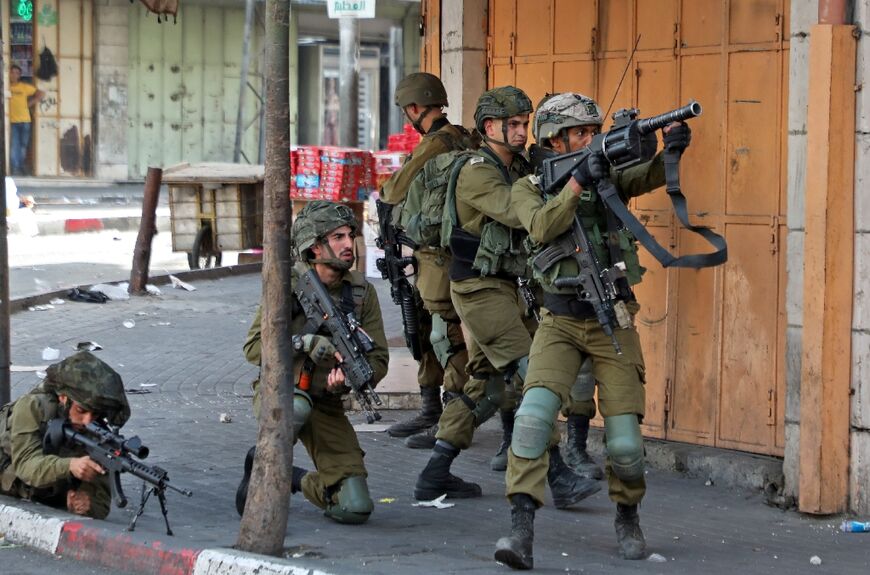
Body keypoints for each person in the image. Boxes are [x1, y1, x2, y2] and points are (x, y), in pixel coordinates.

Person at [494, 92, 691, 568]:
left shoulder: (605, 174)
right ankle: (520, 529)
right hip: (559, 321)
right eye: (582, 133)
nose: (591, 140)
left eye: (592, 132)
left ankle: (627, 515)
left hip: (613, 320)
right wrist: (578, 182)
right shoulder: (530, 187)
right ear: (555, 140)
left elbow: (642, 175)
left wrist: (671, 149)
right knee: (533, 420)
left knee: (624, 441)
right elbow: (541, 226)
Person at [413, 86, 600, 508]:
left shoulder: (517, 166)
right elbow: (520, 214)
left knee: (488, 387)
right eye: (513, 125)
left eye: (524, 123)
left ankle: (435, 472)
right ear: (489, 127)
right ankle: (557, 474)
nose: (521, 132)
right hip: (478, 289)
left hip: (508, 286)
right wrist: (562, 185)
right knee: (534, 375)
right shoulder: (478, 171)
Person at [236, 201, 389, 525]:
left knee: (355, 507)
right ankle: (263, 471)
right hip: (282, 392)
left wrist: (347, 382)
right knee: (299, 407)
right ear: (314, 246)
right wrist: (304, 343)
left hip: (326, 402)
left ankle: (292, 478)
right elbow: (252, 349)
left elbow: (378, 359)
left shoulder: (361, 292)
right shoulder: (287, 284)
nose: (349, 244)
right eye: (338, 237)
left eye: (350, 235)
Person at [380, 72, 473, 448]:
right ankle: (432, 407)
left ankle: (448, 417)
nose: (408, 118)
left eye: (408, 111)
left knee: (444, 333)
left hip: (440, 254)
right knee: (424, 327)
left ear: (416, 108)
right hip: (436, 250)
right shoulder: (462, 136)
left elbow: (394, 189)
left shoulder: (437, 144)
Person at [0, 351, 131, 519]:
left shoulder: (98, 434)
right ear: (63, 397)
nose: (87, 421)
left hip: (37, 491)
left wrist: (84, 503)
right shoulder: (32, 406)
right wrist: (70, 465)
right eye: (81, 410)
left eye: (95, 414)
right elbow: (26, 465)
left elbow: (100, 499)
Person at [8, 64, 44, 175]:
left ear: (19, 75)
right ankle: (15, 167)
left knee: (23, 145)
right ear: (9, 74)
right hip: (13, 121)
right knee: (15, 145)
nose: (14, 75)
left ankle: (21, 166)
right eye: (12, 72)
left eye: (17, 73)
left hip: (25, 120)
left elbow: (41, 93)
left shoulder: (24, 87)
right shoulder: (6, 87)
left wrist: (30, 103)